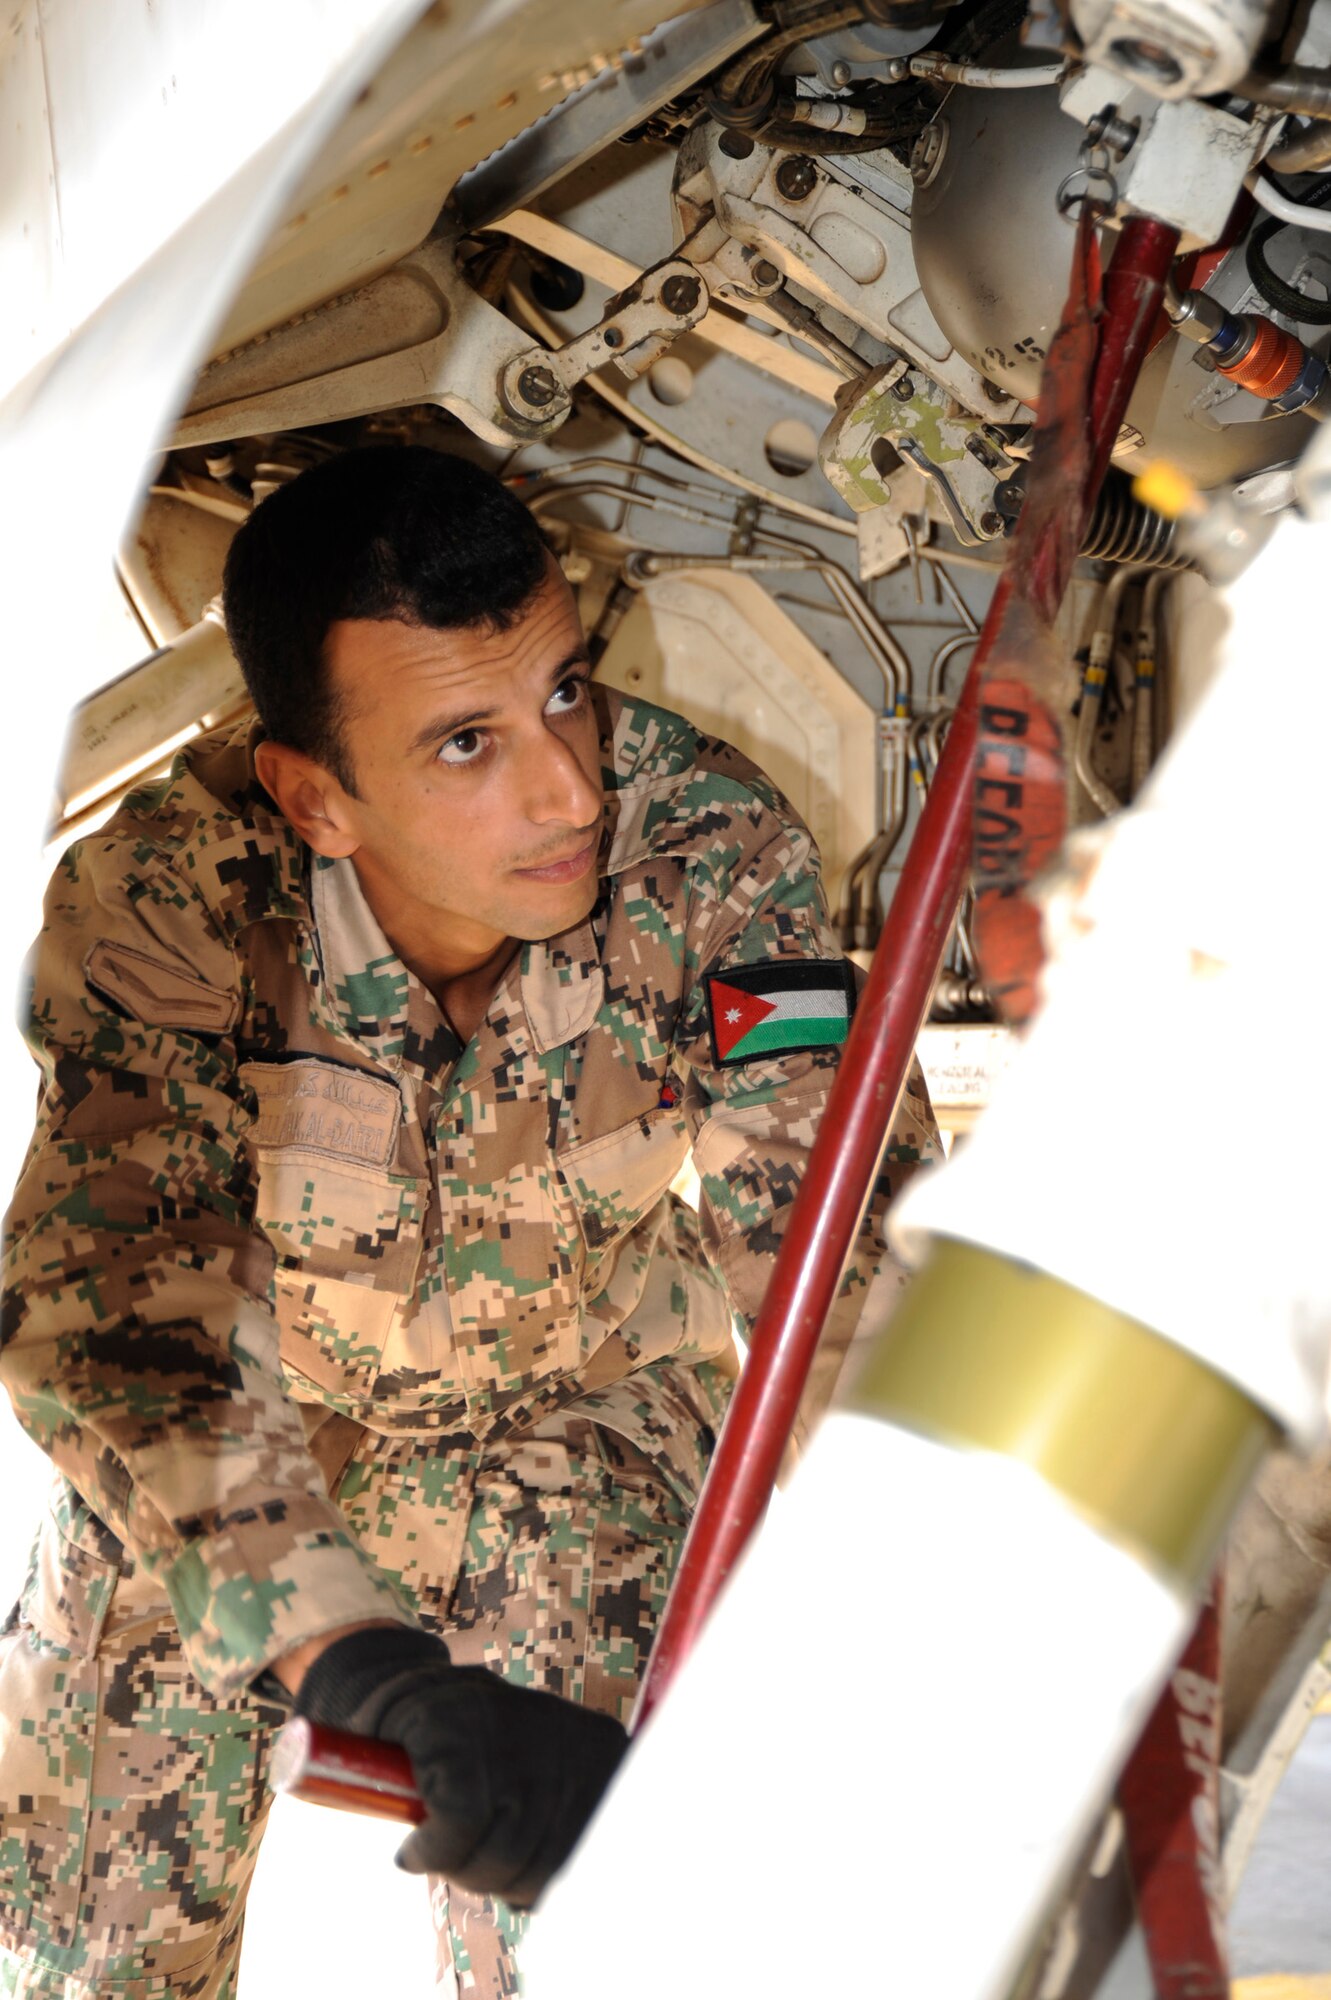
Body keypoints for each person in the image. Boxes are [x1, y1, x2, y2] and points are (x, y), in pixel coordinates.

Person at [0, 445, 940, 1998]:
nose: (568, 788)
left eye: (566, 692)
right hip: (264, 1448)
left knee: (610, 1926)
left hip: (581, 1430)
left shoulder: (712, 851)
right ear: (314, 797)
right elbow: (117, 1304)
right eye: (462, 744)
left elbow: (840, 1237)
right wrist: (347, 1654)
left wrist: (878, 1602)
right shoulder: (177, 895)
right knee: (84, 1944)